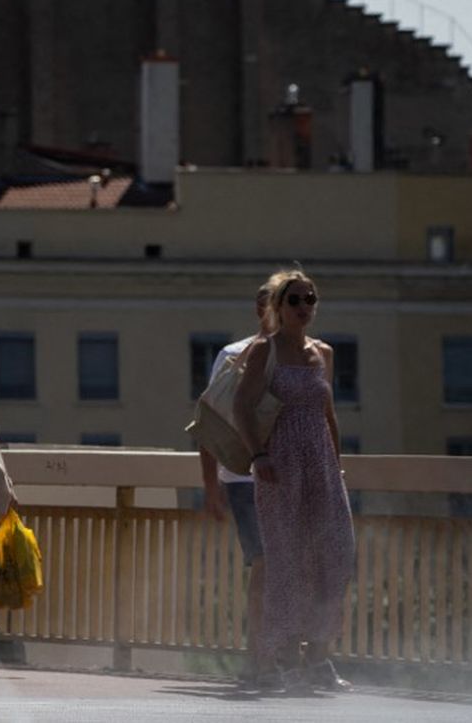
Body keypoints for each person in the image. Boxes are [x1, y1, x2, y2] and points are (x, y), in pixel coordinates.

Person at [233, 268, 355, 692]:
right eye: (295, 300)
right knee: (285, 563)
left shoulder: (323, 352)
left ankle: (317, 656)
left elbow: (329, 415)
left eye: (310, 300)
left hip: (321, 466)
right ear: (278, 307)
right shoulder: (264, 351)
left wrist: (337, 468)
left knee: (335, 554)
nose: (304, 307)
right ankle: (279, 660)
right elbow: (242, 407)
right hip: (280, 467)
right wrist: (259, 454)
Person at [198, 282, 272, 682]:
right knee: (264, 564)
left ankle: (285, 658)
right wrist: (212, 488)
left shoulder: (308, 354)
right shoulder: (232, 356)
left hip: (291, 475)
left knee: (289, 566)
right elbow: (210, 421)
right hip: (244, 478)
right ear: (259, 309)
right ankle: (258, 659)